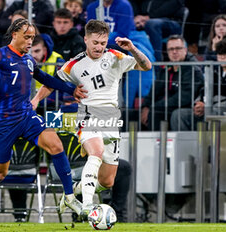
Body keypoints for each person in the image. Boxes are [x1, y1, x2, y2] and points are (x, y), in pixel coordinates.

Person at [0, 18, 87, 217]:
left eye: (32, 38)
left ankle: (70, 197)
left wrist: (71, 90)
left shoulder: (29, 60)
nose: (30, 42)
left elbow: (46, 79)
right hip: (4, 121)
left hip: (27, 116)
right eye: (26, 37)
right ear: (14, 35)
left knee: (56, 145)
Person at [32, 19, 152, 218]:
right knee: (95, 152)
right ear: (86, 39)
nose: (99, 47)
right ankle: (88, 207)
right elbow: (52, 83)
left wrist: (132, 49)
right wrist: (36, 99)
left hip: (111, 121)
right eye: (95, 42)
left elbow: (146, 66)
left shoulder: (116, 57)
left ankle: (74, 192)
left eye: (103, 43)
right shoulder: (75, 64)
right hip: (89, 116)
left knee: (107, 182)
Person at [171, 38, 226, 130]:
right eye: (220, 54)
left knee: (212, 112)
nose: (222, 57)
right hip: (207, 108)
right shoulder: (212, 70)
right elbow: (204, 90)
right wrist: (198, 104)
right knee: (178, 114)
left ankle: (210, 142)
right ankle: (187, 143)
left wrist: (208, 107)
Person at [141, 35, 204, 131]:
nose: (174, 52)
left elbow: (184, 98)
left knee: (157, 111)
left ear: (185, 50)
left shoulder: (192, 68)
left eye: (178, 48)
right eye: (171, 49)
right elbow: (155, 89)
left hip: (189, 107)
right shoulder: (167, 67)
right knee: (133, 113)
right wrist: (146, 106)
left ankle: (159, 144)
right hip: (172, 105)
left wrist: (155, 106)